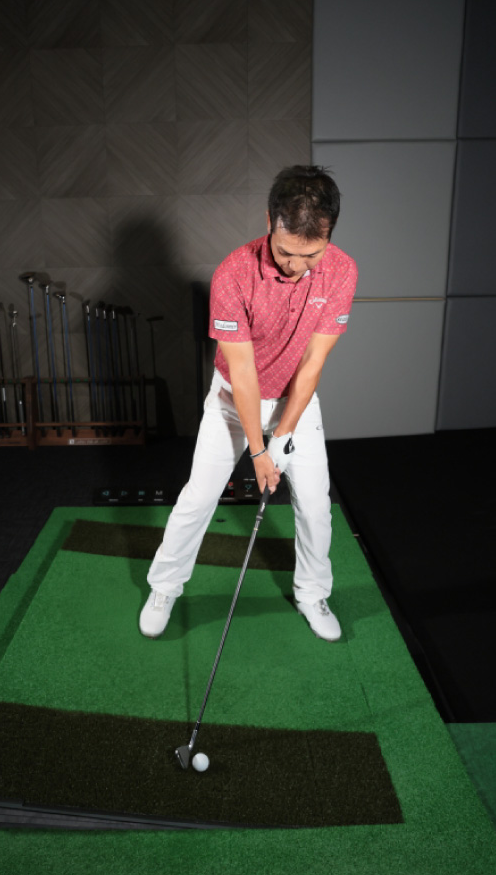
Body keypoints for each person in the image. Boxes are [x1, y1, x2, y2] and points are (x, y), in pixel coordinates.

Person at [139, 165, 358, 642]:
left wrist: (283, 435)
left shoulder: (342, 271)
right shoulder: (234, 273)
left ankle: (312, 593)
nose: (295, 266)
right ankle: (164, 587)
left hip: (296, 401)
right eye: (285, 252)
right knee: (199, 498)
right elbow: (242, 372)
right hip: (233, 400)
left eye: (310, 255)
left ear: (330, 236)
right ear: (268, 221)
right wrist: (258, 451)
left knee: (315, 505)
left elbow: (312, 364)